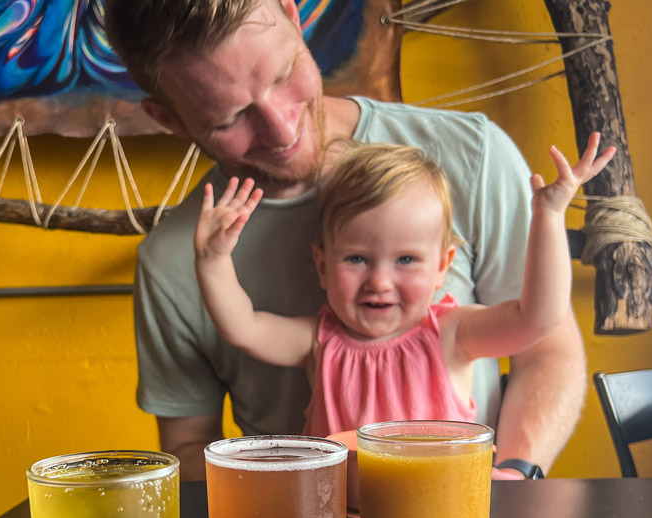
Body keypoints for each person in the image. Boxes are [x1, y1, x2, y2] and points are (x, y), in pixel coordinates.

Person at [103, 0, 588, 480]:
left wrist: (510, 480)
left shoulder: (472, 156)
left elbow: (545, 341)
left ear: (295, 19)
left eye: (282, 74)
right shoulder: (173, 262)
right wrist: (299, 490)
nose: (281, 127)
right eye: (231, 118)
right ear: (167, 119)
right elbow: (191, 443)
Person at [193, 138, 614, 438]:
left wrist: (549, 215)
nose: (379, 281)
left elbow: (538, 318)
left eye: (406, 260)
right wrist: (213, 259)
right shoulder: (319, 341)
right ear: (322, 266)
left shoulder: (451, 332)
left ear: (442, 268)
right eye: (357, 258)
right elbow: (243, 328)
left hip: (441, 516)